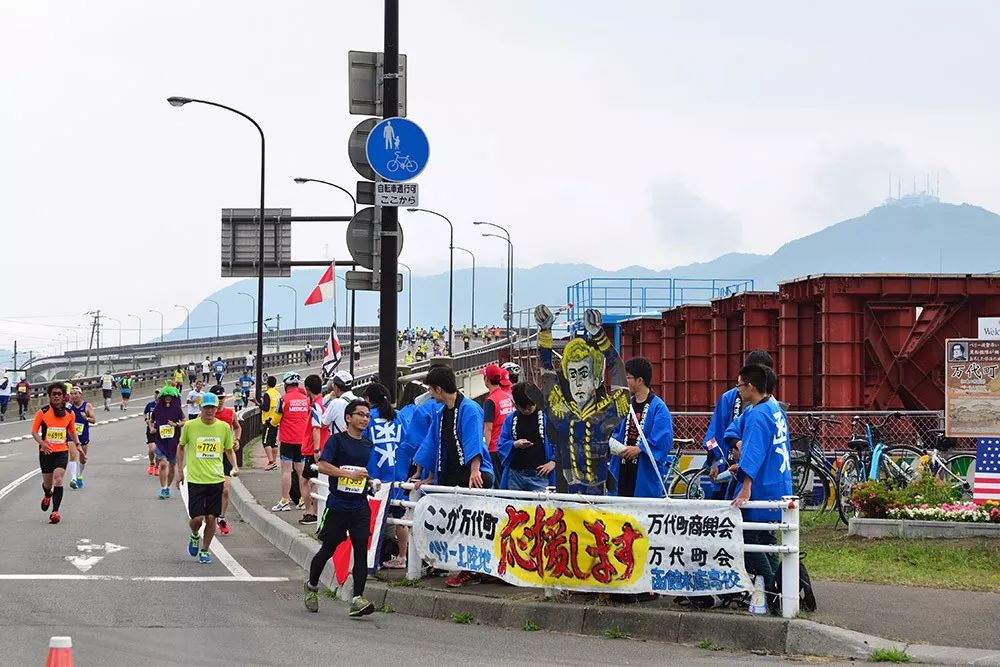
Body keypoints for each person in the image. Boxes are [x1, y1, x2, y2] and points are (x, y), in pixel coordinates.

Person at [412, 365, 495, 588]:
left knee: (471, 526)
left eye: (431, 389)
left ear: (438, 389)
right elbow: (433, 445)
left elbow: (474, 440)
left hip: (472, 475)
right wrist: (429, 475)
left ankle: (470, 570)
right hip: (450, 475)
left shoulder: (469, 408)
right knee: (455, 527)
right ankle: (469, 568)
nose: (430, 394)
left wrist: (475, 470)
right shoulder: (440, 413)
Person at [534, 305, 628, 495]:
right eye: (573, 374)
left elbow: (618, 371)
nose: (577, 382)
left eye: (583, 374)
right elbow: (547, 374)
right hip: (568, 493)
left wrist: (599, 335)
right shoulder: (562, 414)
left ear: (595, 379)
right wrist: (545, 332)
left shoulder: (605, 414)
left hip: (598, 496)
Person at [303, 398, 377, 617]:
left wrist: (370, 481)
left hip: (360, 505)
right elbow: (323, 466)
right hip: (338, 505)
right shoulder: (337, 441)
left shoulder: (367, 444)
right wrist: (348, 475)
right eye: (360, 414)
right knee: (328, 548)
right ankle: (312, 586)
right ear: (348, 417)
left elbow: (362, 472)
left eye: (367, 415)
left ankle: (357, 599)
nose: (365, 419)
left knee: (361, 550)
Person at [728, 363, 793, 593]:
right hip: (778, 483)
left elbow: (753, 453)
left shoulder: (757, 414)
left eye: (740, 385)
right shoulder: (775, 408)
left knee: (748, 542)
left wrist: (746, 486)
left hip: (761, 486)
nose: (738, 390)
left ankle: (771, 589)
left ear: (751, 386)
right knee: (767, 541)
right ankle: (784, 588)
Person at [702, 350, 775, 500]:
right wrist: (715, 462)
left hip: (757, 477)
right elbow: (713, 434)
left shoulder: (771, 406)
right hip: (726, 470)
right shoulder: (728, 398)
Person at [178, 391, 238, 565]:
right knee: (197, 519)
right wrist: (181, 471)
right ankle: (195, 535)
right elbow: (181, 447)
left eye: (212, 407)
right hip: (196, 479)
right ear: (200, 408)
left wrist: (235, 465)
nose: (210, 411)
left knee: (211, 517)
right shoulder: (190, 426)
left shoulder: (223, 427)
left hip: (215, 479)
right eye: (206, 408)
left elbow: (228, 449)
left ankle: (205, 550)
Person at [609, 357, 673, 498]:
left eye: (628, 377)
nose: (626, 382)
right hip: (622, 466)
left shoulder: (659, 408)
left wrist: (639, 449)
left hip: (644, 471)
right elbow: (616, 431)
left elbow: (663, 439)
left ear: (640, 380)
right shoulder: (625, 405)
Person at [364, 382, 409, 568]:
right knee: (399, 518)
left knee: (374, 517)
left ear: (368, 400)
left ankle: (372, 556)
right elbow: (408, 442)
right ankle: (403, 557)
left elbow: (363, 443)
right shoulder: (398, 417)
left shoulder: (368, 418)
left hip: (376, 475)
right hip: (398, 473)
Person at [31, 383, 81, 524]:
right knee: (47, 484)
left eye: (59, 394)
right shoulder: (43, 412)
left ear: (64, 396)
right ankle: (48, 494)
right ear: (50, 396)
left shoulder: (69, 414)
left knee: (58, 480)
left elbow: (72, 431)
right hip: (46, 452)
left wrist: (77, 444)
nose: (57, 396)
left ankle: (55, 512)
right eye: (54, 394)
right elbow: (34, 432)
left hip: (61, 452)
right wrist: (42, 443)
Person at [497, 382, 555, 491]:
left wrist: (553, 462)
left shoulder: (548, 417)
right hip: (515, 475)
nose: (527, 410)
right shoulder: (511, 419)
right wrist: (514, 444)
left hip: (540, 476)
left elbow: (561, 442)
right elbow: (501, 444)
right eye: (523, 408)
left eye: (530, 406)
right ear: (516, 405)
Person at [272, 372, 310, 512]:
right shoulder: (305, 399)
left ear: (286, 384)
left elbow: (275, 420)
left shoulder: (283, 399)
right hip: (302, 440)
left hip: (287, 439)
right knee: (300, 471)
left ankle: (284, 500)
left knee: (286, 471)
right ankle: (302, 500)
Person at [208, 385, 241, 536]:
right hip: (210, 457)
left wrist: (237, 440)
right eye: (217, 398)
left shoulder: (230, 413)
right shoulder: (207, 415)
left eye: (222, 398)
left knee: (226, 489)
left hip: (226, 455)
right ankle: (209, 515)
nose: (220, 401)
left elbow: (237, 427)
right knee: (211, 490)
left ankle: (221, 518)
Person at [298, 374, 329, 526]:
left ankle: (311, 511)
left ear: (307, 389)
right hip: (323, 445)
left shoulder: (316, 405)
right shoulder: (326, 402)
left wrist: (316, 450)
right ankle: (314, 510)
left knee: (307, 481)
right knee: (314, 480)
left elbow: (316, 428)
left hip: (314, 448)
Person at [482, 364, 514, 486]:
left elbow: (488, 428)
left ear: (487, 380)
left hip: (495, 447)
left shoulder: (490, 401)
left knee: (499, 484)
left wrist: (488, 451)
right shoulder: (507, 397)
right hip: (507, 445)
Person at [151, 386, 185, 499]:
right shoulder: (157, 408)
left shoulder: (177, 409)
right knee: (163, 464)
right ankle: (163, 487)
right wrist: (152, 428)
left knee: (172, 466)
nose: (168, 398)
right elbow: (151, 421)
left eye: (170, 396)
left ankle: (167, 487)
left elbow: (184, 421)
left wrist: (176, 425)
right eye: (166, 396)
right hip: (160, 440)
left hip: (173, 441)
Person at [67, 387, 96, 490]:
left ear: (80, 394)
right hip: (71, 434)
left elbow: (93, 420)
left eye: (76, 394)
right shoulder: (69, 406)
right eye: (72, 394)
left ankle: (79, 475)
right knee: (73, 455)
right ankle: (73, 479)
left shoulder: (87, 406)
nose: (74, 396)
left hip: (83, 433)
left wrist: (86, 418)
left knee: (82, 458)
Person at [257, 375, 282, 471]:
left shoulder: (267, 394)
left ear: (267, 384)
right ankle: (274, 461)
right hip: (276, 421)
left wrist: (258, 404)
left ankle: (271, 462)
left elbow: (266, 407)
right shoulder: (278, 394)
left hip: (268, 421)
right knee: (274, 443)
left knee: (266, 442)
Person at [320, 370, 357, 435]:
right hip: (357, 442)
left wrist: (329, 397)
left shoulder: (336, 403)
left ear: (336, 387)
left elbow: (323, 423)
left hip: (340, 443)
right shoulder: (360, 400)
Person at [143, 390, 160, 476]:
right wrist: (146, 420)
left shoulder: (163, 406)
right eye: (156, 394)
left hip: (160, 431)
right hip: (150, 429)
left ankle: (157, 467)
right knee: (152, 449)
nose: (157, 395)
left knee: (158, 450)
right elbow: (145, 413)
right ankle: (151, 464)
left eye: (159, 394)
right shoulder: (150, 404)